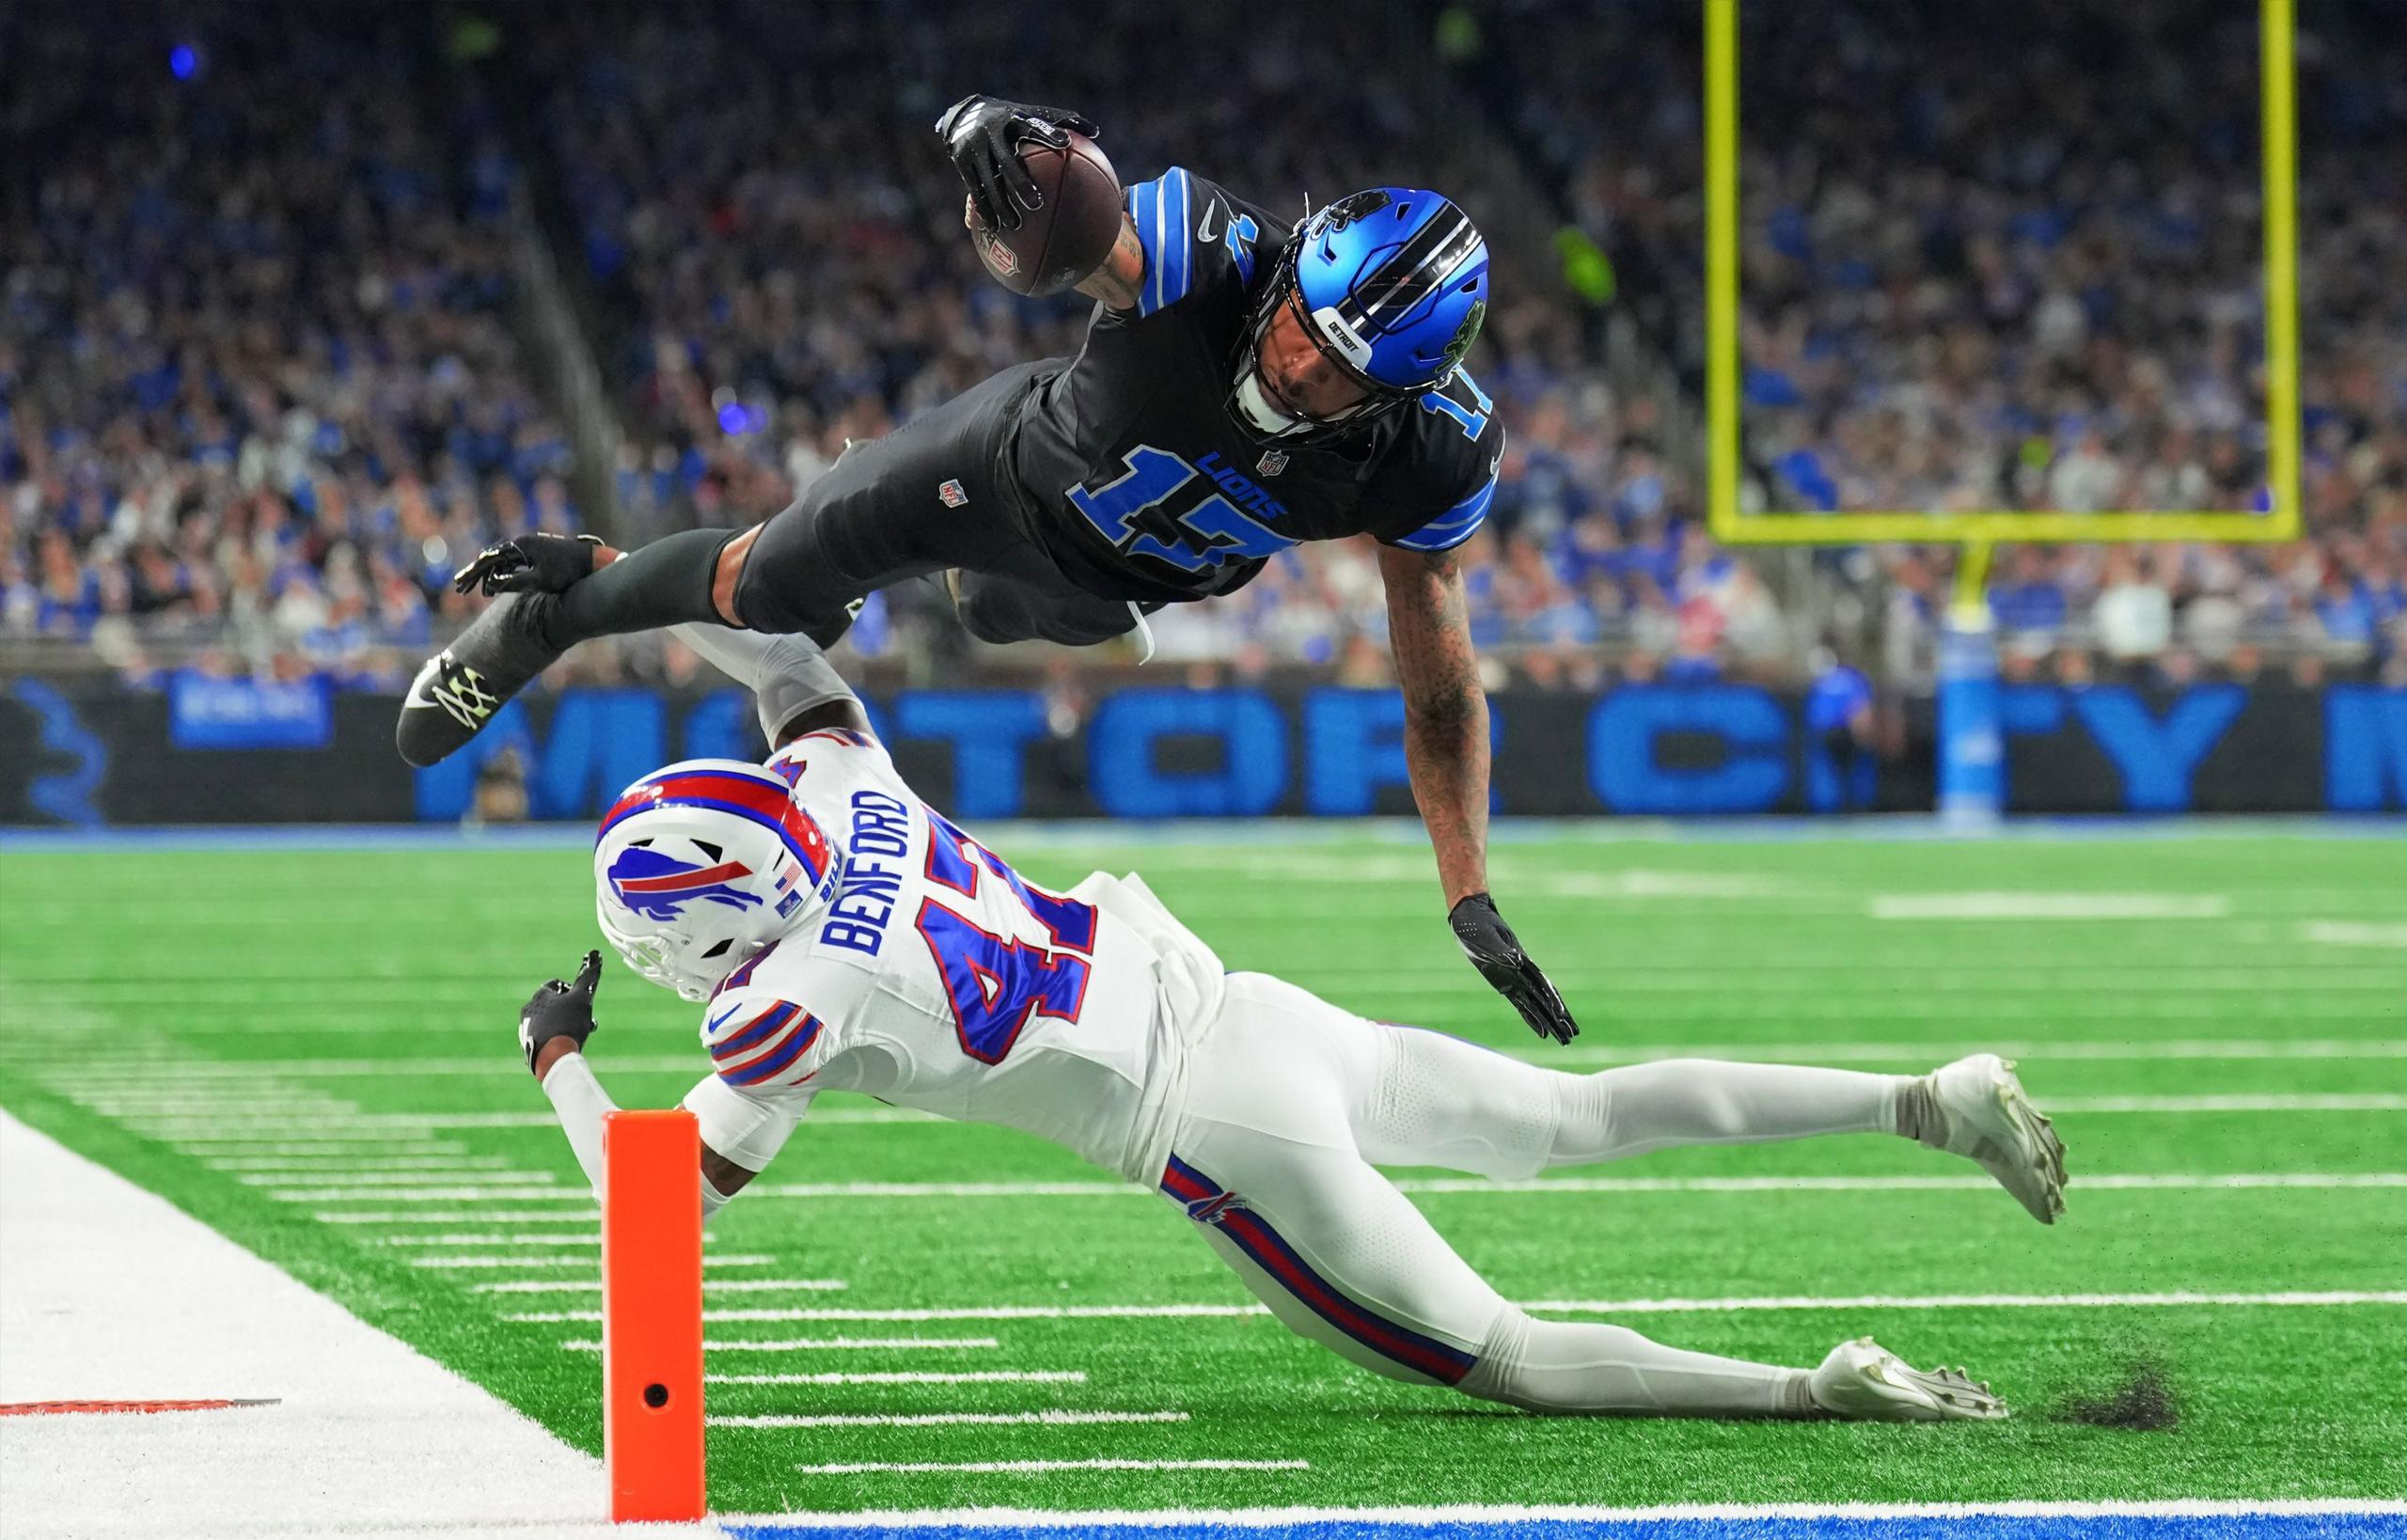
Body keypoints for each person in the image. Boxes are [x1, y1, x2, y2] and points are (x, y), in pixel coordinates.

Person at [512, 624, 2067, 1422]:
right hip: (1252, 1009)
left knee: (1507, 1357)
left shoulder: (787, 1006)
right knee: (1579, 1111)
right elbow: (777, 647)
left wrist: (559, 1057)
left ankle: (1813, 1389)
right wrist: (597, 586)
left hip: (1217, 1130)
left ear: (715, 919)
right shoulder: (850, 791)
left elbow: (651, 1203)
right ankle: (1924, 1095)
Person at [401, 94, 1577, 1045]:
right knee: (761, 586)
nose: (1296, 367)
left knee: (1010, 618)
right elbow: (1079, 231)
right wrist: (1017, 156)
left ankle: (980, 591)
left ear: (1402, 397)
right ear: (1293, 271)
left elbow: (1437, 689)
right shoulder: (1204, 256)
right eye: (1298, 329)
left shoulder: (1430, 456)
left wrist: (1464, 886)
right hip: (1000, 470)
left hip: (1097, 583)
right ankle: (557, 610)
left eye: (1337, 376)